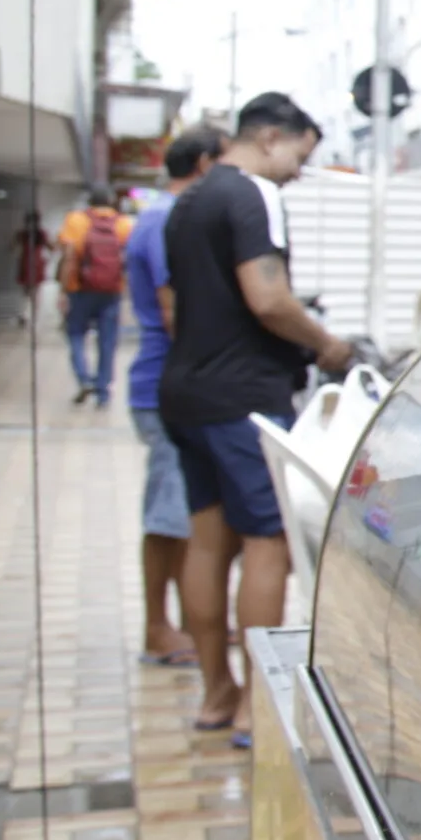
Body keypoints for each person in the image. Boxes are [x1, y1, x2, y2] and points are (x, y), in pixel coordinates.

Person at [161, 94, 352, 736]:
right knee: (268, 543)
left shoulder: (189, 198)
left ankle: (217, 693)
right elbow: (268, 298)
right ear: (271, 138)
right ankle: (256, 708)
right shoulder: (253, 194)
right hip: (244, 397)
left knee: (207, 544)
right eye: (300, 154)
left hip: (186, 392)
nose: (298, 170)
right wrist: (325, 342)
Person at [126, 127, 226, 667]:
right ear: (207, 162)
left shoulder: (158, 215)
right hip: (166, 385)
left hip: (164, 380)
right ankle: (157, 628)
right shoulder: (169, 219)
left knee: (185, 513)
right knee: (168, 516)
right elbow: (173, 312)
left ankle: (192, 620)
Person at [56, 186, 134, 405]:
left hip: (79, 290)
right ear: (111, 202)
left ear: (89, 201)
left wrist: (63, 291)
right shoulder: (123, 224)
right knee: (107, 342)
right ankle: (103, 391)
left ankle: (84, 379)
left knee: (75, 335)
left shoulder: (75, 220)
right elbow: (128, 261)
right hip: (111, 291)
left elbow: (70, 258)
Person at [12, 210, 53, 324]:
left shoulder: (22, 234)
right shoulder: (40, 234)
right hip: (36, 263)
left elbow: (12, 247)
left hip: (26, 262)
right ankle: (31, 316)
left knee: (26, 291)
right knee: (35, 292)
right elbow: (52, 248)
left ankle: (25, 314)